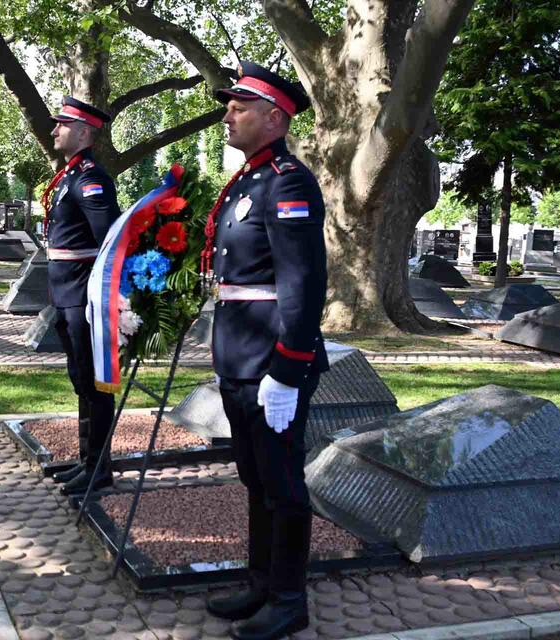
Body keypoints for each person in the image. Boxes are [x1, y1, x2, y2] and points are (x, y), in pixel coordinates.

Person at [201, 63, 328, 640]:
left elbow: (302, 281)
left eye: (240, 106)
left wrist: (289, 367)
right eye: (230, 105)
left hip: (272, 361)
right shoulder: (249, 181)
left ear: (274, 118)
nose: (228, 113)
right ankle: (260, 582)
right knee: (254, 476)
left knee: (282, 481)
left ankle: (288, 598)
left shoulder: (288, 181)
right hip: (238, 355)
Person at [42, 96, 121, 495]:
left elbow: (109, 239)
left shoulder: (90, 178)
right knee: (80, 379)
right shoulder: (70, 176)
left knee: (94, 382)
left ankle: (99, 468)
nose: (54, 130)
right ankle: (86, 458)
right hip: (66, 292)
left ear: (85, 132)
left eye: (63, 125)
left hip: (83, 295)